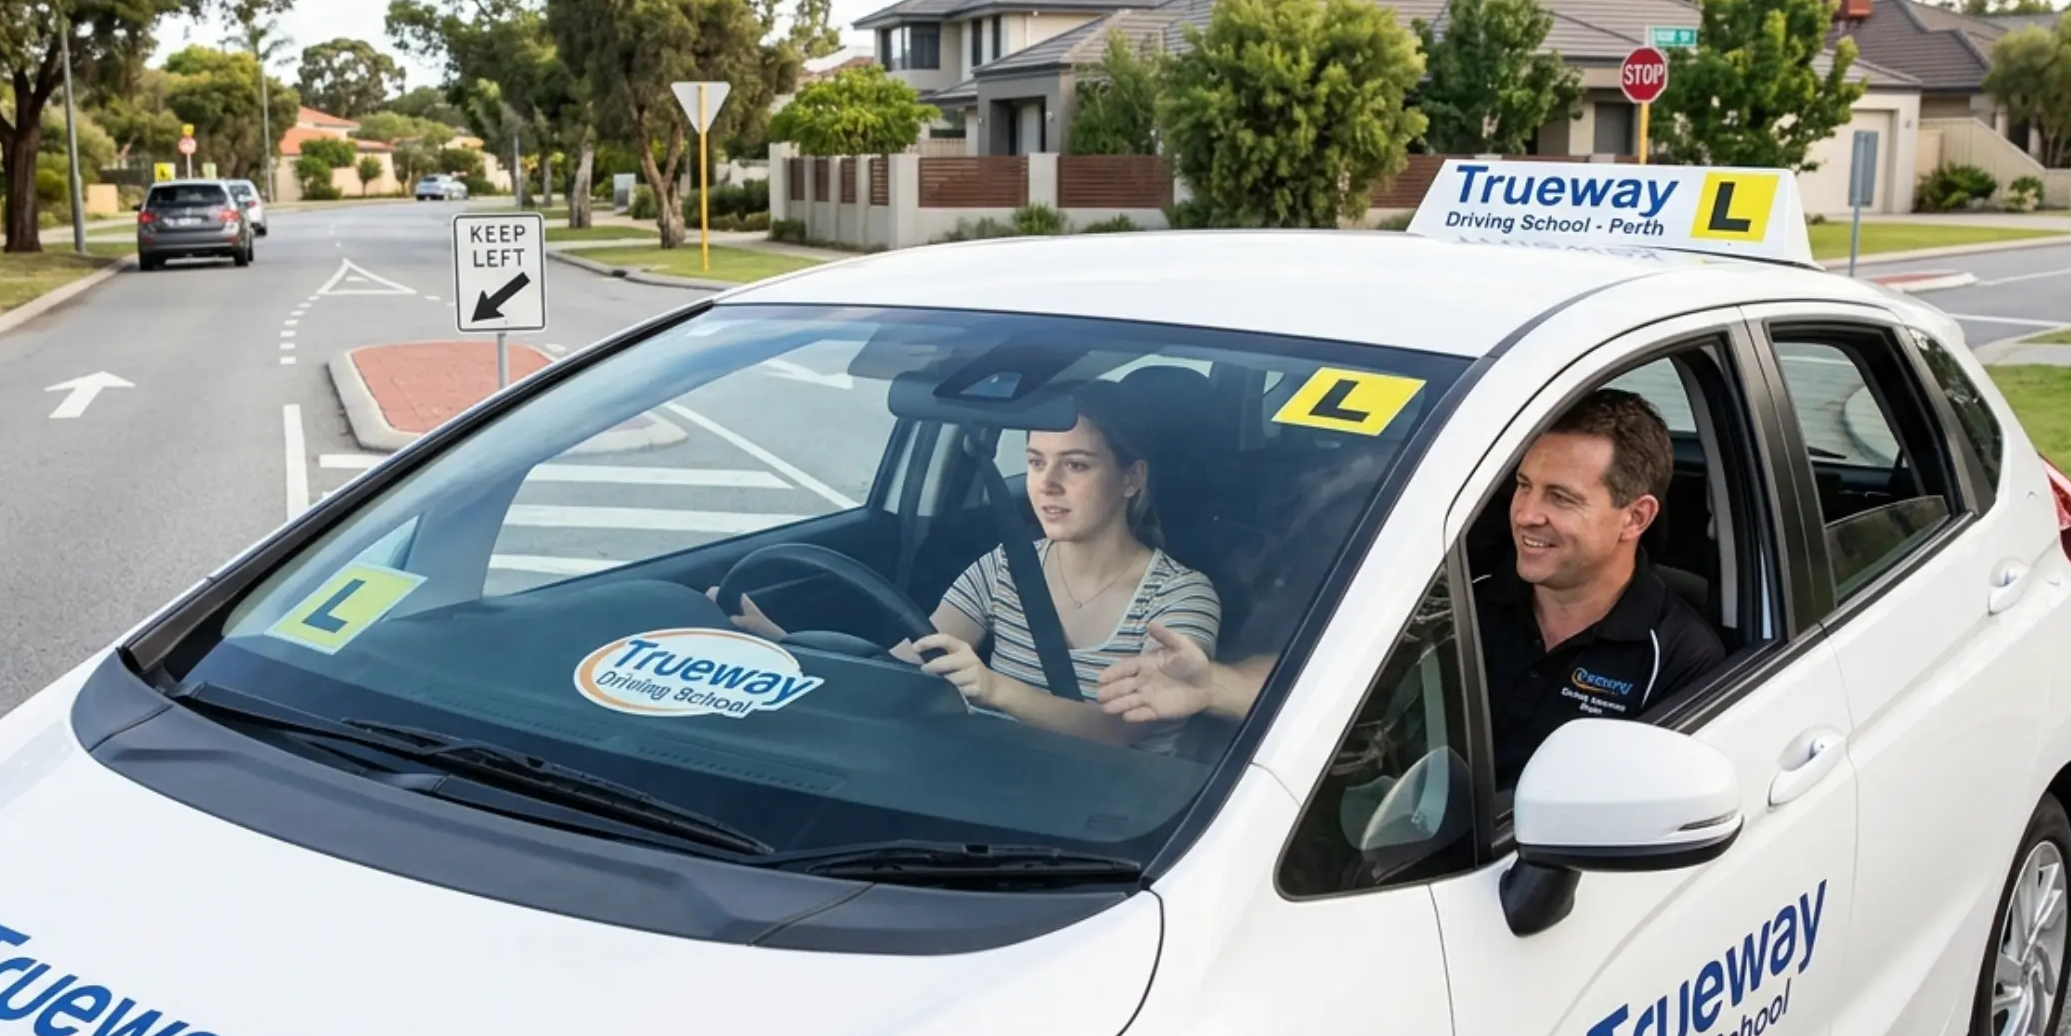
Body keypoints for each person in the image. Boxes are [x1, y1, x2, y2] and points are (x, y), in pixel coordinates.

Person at [1097, 388, 1722, 786]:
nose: (1525, 514)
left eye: (1560, 498)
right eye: (1524, 485)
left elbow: (1643, 828)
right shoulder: (1458, 591)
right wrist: (1214, 685)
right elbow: (1339, 670)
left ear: (1635, 518)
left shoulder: (1679, 659)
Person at [724, 384, 1221, 750]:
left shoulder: (1179, 597)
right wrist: (792, 646)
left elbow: (1124, 732)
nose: (1046, 484)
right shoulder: (1006, 566)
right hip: (989, 788)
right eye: (1034, 462)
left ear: (1130, 478)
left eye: (1075, 465)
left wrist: (993, 688)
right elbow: (900, 664)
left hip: (1114, 826)